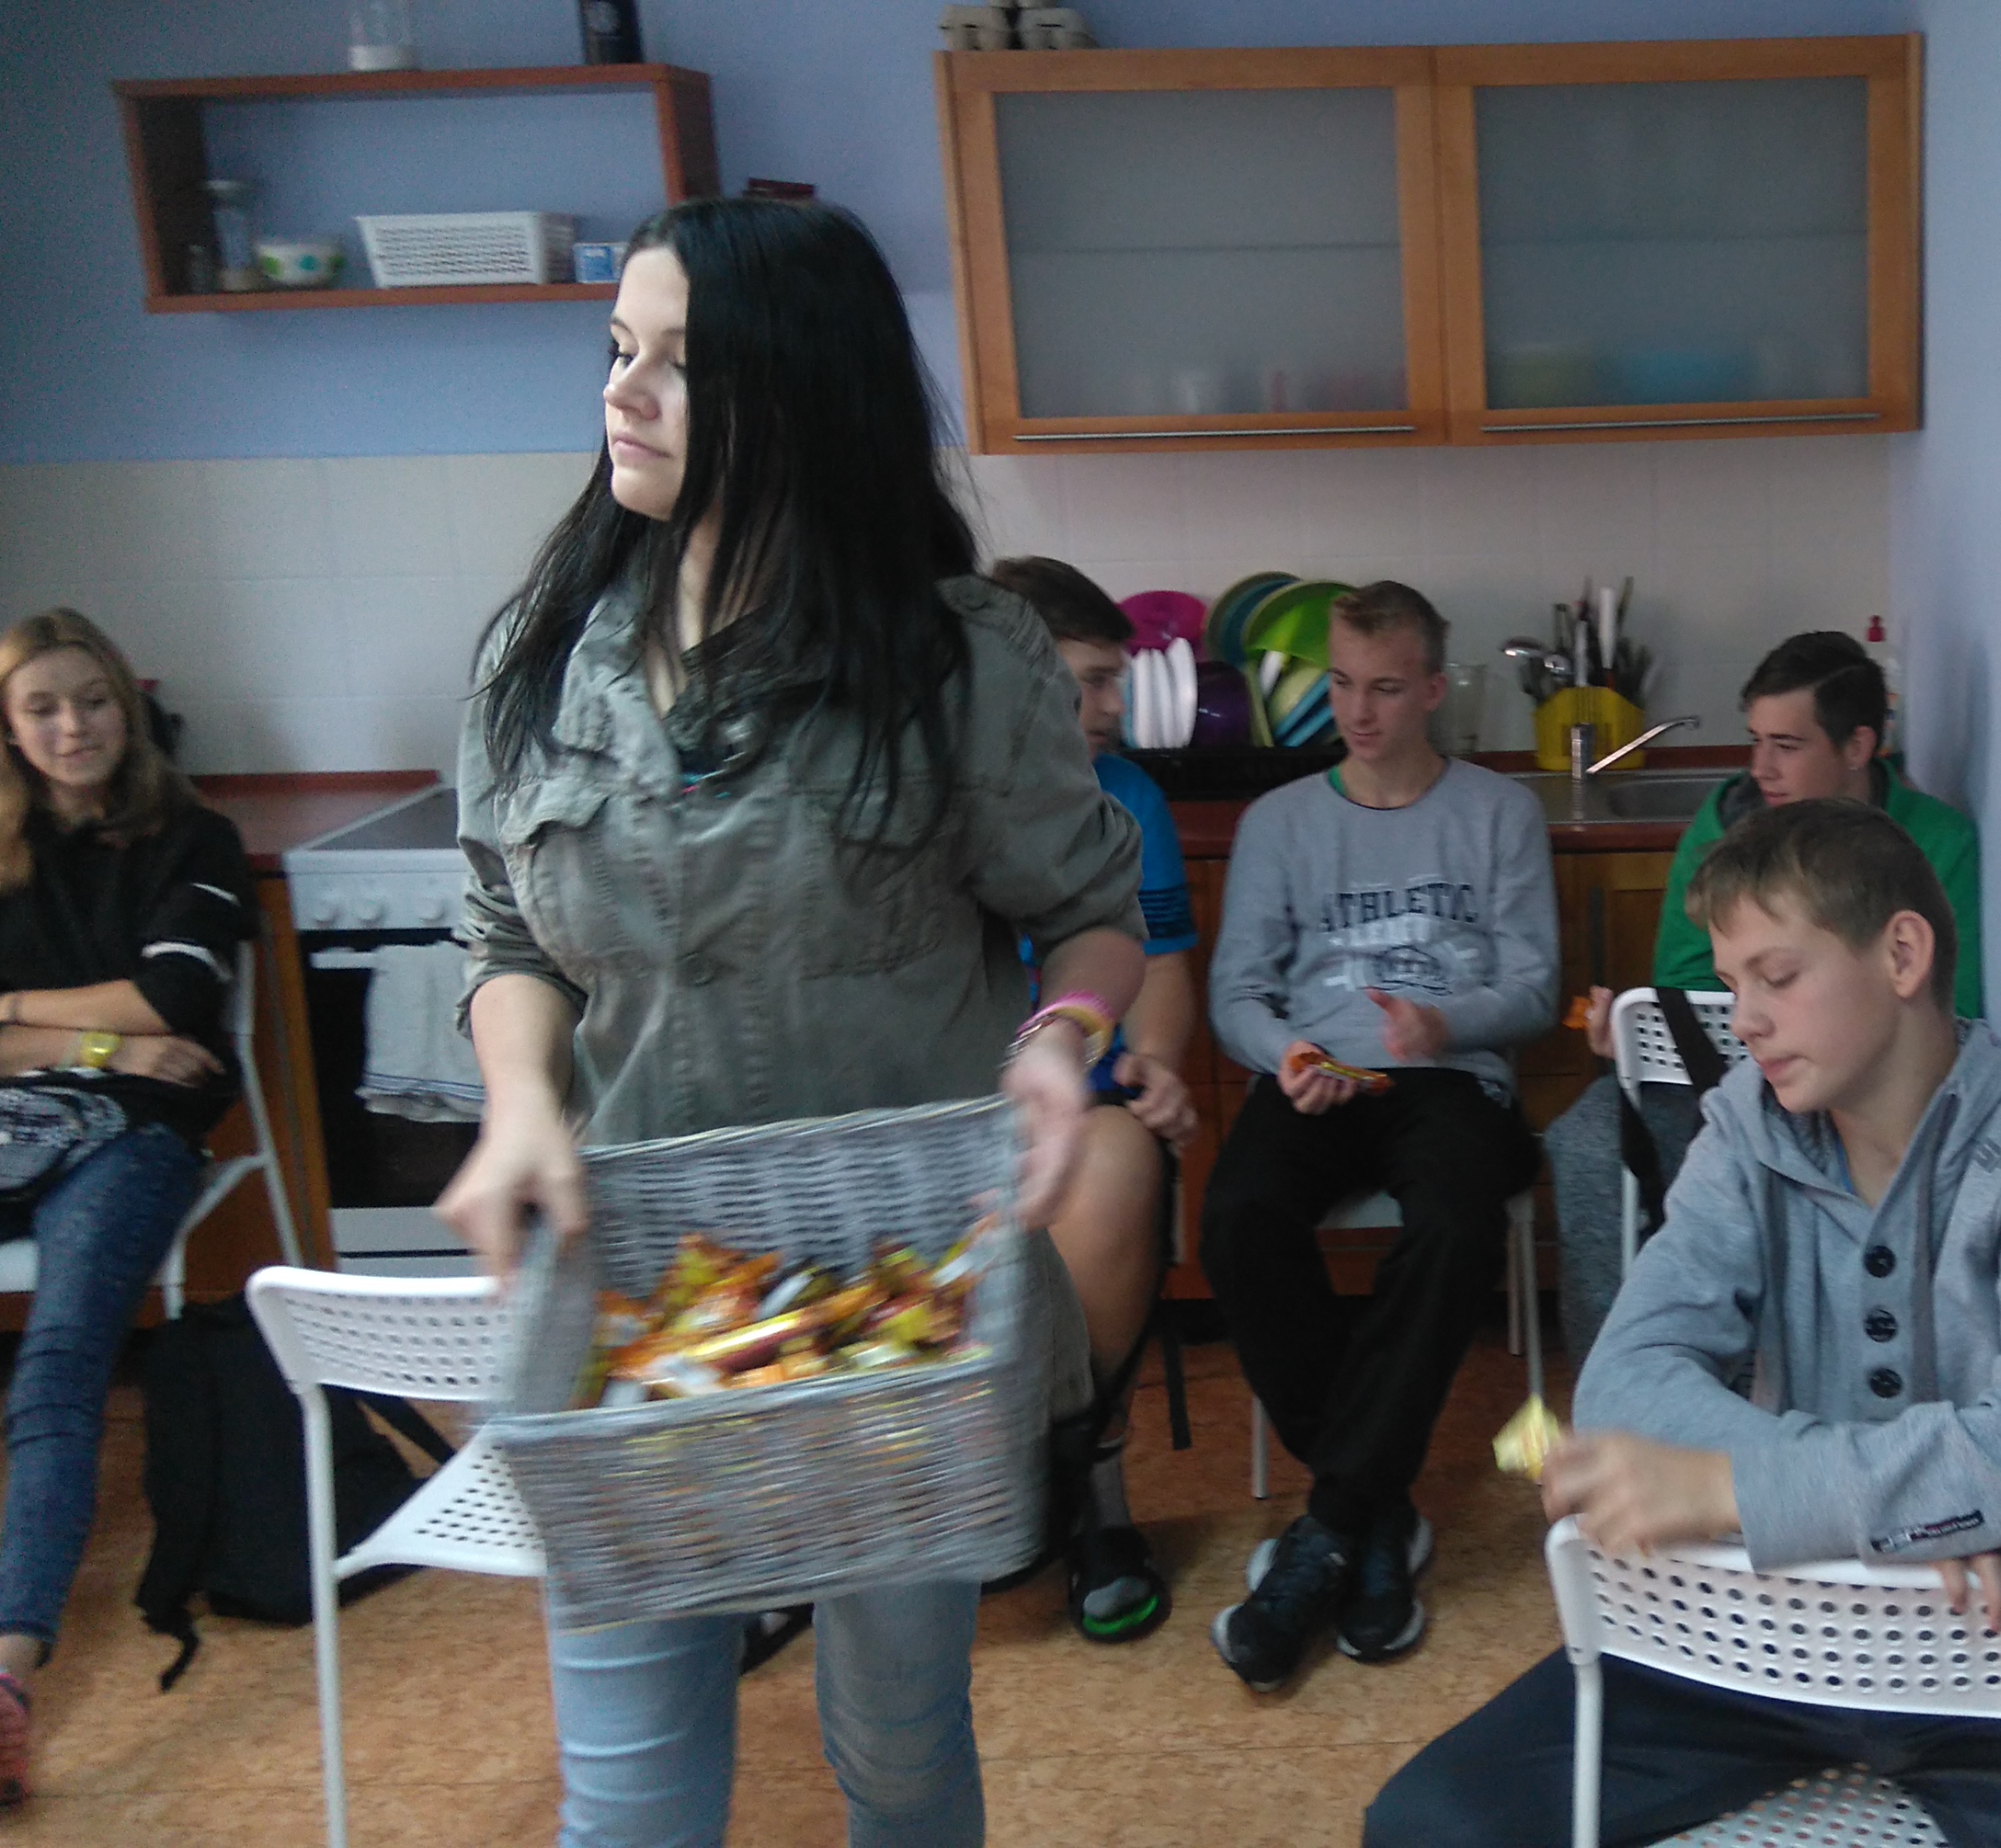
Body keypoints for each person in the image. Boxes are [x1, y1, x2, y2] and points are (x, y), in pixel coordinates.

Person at [438, 197, 1146, 1848]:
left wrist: (1058, 1039)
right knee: (628, 1794)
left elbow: (1092, 913)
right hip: (638, 1286)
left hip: (889, 1293)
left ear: (804, 391)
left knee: (896, 1751)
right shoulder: (541, 658)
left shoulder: (958, 660)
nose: (621, 392)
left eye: (679, 363)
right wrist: (520, 1096)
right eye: (619, 349)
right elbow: (504, 930)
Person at [1364, 799, 2001, 1848]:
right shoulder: (1746, 1127)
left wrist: (1725, 1488)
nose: (1741, 1018)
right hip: (1748, 1632)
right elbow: (1621, 1384)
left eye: (1775, 976)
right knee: (1425, 1823)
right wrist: (1941, 1514)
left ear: (1901, 954)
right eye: (1731, 980)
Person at [0, 608, 252, 1812]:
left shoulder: (196, 837)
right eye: (44, 708)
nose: (74, 726)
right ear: (7, 732)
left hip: (136, 1139)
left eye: (94, 699)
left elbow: (176, 995)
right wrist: (99, 1039)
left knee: (56, 1371)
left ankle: (3, 1667)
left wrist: (11, 1013)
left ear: (130, 706)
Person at [1199, 582, 1556, 1693]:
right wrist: (1285, 1053)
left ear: (1435, 689)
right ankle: (1373, 1512)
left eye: (1386, 688)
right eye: (1344, 685)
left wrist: (1448, 1022)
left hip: (1448, 1076)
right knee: (1239, 1218)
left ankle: (1331, 1529)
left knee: (1453, 1221)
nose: (1358, 711)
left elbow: (1535, 985)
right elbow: (1236, 993)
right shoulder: (1279, 822)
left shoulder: (1498, 811)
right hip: (1315, 1076)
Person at [1549, 631, 1985, 1363]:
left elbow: (1955, 1005)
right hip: (1719, 1078)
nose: (1761, 768)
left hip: (1862, 1091)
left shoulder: (1935, 843)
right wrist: (1635, 1028)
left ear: (1858, 746)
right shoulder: (1729, 823)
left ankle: (1757, 1377)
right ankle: (1626, 1372)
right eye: (1756, 741)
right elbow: (1681, 980)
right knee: (1588, 1140)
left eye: (1787, 745)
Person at [984, 553, 1201, 1643]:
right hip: (953, 1106)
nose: (1113, 707)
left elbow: (1158, 962)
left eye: (1115, 679)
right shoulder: (939, 791)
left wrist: (1156, 1058)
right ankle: (975, 1481)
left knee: (1115, 1170)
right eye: (1091, 682)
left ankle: (1088, 1482)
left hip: (1086, 1096)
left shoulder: (1131, 797)